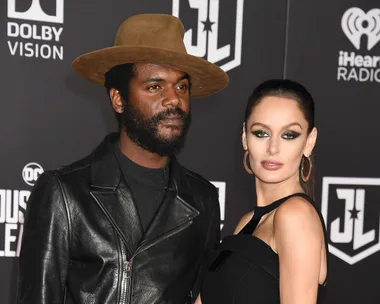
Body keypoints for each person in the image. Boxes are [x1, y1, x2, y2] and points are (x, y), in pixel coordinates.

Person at [17, 14, 228, 304]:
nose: (174, 100)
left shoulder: (202, 199)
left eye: (181, 87)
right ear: (118, 99)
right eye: (155, 86)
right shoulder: (64, 193)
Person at [198, 79, 328, 304]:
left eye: (289, 135)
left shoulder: (295, 215)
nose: (273, 148)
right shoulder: (247, 222)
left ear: (309, 142)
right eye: (261, 133)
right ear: (244, 137)